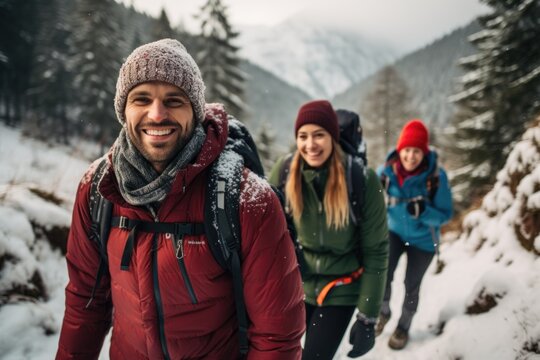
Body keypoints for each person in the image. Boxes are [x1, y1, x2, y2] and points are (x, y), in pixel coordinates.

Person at [56, 38, 305, 359]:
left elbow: (277, 336)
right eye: (141, 99)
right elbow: (84, 306)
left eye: (174, 100)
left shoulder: (245, 199)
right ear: (123, 110)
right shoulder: (98, 189)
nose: (156, 114)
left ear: (196, 111)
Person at [268, 100, 389, 360]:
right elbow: (265, 235)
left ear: (332, 137)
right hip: (296, 283)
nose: (310, 144)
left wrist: (368, 318)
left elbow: (376, 251)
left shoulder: (363, 181)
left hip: (340, 289)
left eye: (319, 135)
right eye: (303, 136)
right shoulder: (285, 172)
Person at [375, 119, 453, 350]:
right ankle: (383, 312)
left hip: (424, 241)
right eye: (407, 150)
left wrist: (423, 211)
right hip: (393, 232)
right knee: (382, 276)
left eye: (417, 151)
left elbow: (446, 214)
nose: (411, 156)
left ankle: (403, 327)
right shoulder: (385, 173)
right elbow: (374, 205)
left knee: (412, 285)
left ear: (424, 152)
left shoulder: (436, 177)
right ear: (400, 150)